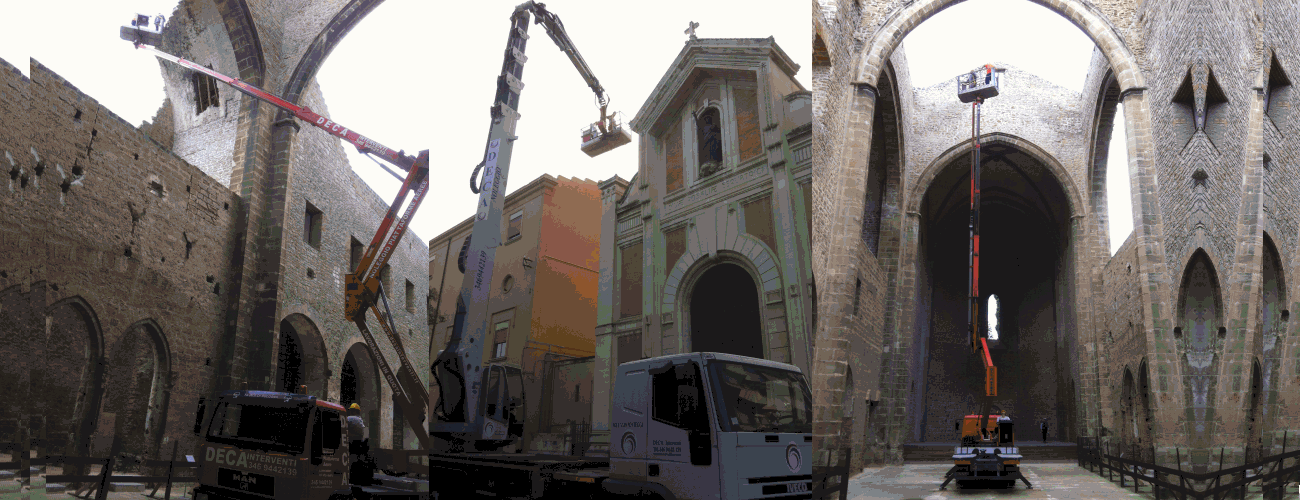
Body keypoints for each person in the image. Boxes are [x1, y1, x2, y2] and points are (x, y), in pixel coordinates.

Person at [347, 403, 375, 486]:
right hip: (359, 445)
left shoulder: (350, 418)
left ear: (353, 411)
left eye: (351, 410)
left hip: (351, 444)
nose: (350, 412)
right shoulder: (360, 420)